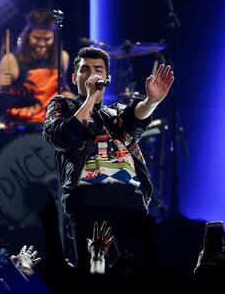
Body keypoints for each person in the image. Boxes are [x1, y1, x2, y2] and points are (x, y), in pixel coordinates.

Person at [43, 47, 174, 274]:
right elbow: (63, 136)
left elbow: (134, 119)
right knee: (94, 272)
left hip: (130, 200)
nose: (92, 74)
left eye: (98, 69)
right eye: (85, 69)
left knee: (144, 273)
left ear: (108, 78)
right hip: (88, 200)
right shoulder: (62, 106)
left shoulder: (115, 112)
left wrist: (152, 101)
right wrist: (91, 97)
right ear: (75, 78)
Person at [0, 8, 74, 124]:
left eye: (47, 39)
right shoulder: (11, 60)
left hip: (50, 123)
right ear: (27, 36)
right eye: (37, 38)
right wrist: (1, 86)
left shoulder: (62, 57)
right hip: (21, 124)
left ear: (54, 38)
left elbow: (62, 90)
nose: (41, 44)